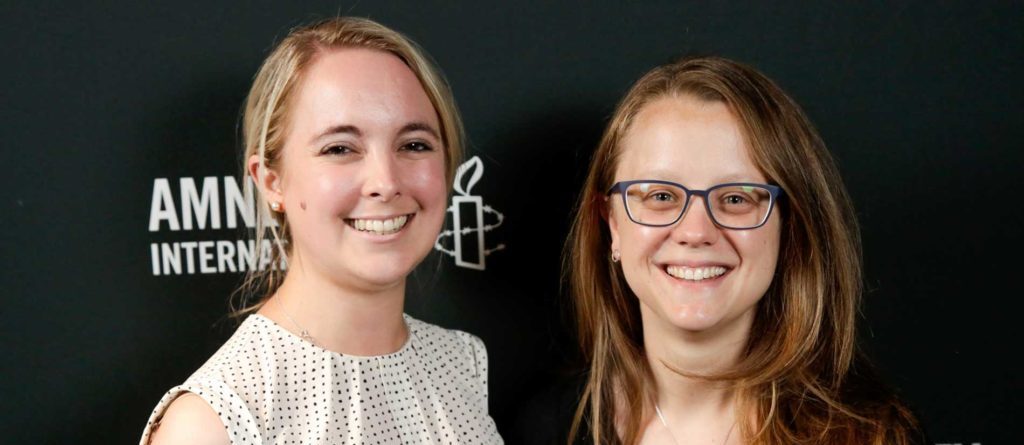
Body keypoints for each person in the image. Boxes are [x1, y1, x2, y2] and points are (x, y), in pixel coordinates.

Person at [142, 17, 503, 445]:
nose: (386, 182)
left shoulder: (460, 361)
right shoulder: (213, 422)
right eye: (340, 148)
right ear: (271, 182)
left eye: (413, 145)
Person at [562, 57, 925, 444]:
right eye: (661, 196)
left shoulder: (874, 437)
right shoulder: (546, 426)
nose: (695, 232)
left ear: (790, 226)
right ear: (612, 224)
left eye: (736, 198)